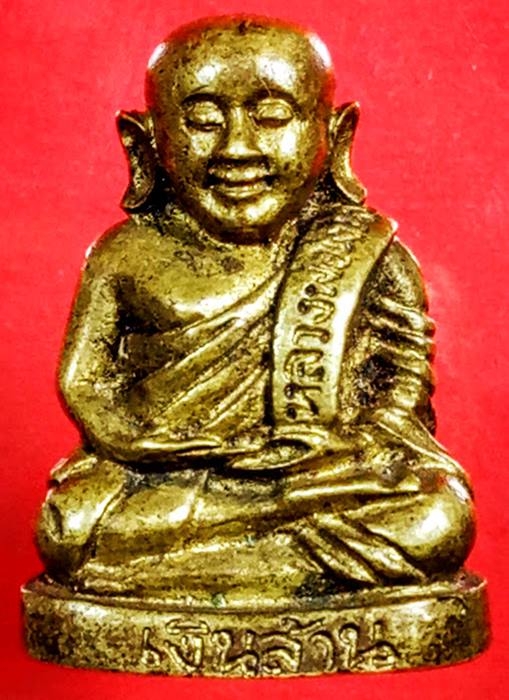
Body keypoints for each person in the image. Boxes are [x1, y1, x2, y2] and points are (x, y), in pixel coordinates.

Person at [37, 16, 474, 600]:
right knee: (68, 526)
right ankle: (280, 548)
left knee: (439, 518)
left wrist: (356, 445)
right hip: (167, 477)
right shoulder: (124, 255)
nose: (237, 148)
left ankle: (204, 565)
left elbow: (401, 391)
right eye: (203, 120)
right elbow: (85, 381)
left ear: (336, 134)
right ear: (145, 142)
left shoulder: (366, 254)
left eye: (271, 116)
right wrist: (134, 443)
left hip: (321, 476)